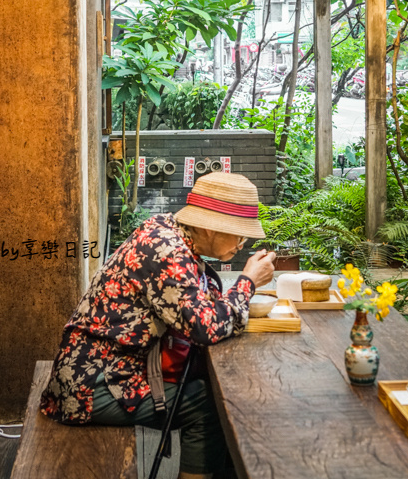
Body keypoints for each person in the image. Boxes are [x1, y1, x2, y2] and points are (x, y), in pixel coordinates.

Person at [41, 171, 276, 479]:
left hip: (98, 367)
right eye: (239, 234)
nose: (242, 244)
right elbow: (205, 328)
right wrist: (247, 283)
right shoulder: (167, 252)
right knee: (210, 406)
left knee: (216, 393)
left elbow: (199, 304)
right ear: (210, 226)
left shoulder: (167, 231)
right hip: (92, 384)